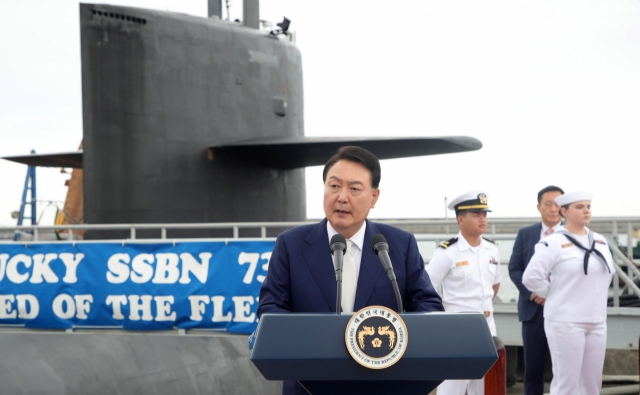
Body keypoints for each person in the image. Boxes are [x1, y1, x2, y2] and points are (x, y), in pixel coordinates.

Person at [257, 146, 444, 395]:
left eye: (354, 189)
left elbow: (428, 306)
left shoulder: (399, 245)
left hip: (384, 384)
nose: (342, 197)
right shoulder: (290, 245)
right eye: (334, 186)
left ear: (374, 197)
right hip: (309, 386)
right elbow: (270, 310)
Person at [522, 192, 614, 395]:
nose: (586, 210)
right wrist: (553, 294)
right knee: (567, 384)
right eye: (579, 207)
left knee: (592, 384)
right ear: (564, 211)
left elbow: (607, 275)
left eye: (588, 206)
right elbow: (530, 277)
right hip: (565, 321)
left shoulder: (599, 241)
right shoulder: (553, 242)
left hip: (597, 320)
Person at [426, 191, 501, 395]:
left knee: (484, 389)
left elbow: (495, 285)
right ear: (461, 219)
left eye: (484, 214)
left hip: (487, 328)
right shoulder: (447, 252)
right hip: (458, 330)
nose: (483, 219)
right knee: (452, 389)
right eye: (477, 214)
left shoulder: (491, 249)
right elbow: (426, 288)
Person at [508, 185, 564, 395]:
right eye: (547, 204)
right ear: (538, 207)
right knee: (533, 370)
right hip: (533, 310)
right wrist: (533, 293)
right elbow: (515, 268)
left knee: (565, 369)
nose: (553, 208)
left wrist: (552, 294)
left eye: (558, 204)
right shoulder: (526, 234)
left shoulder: (573, 235)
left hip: (563, 310)